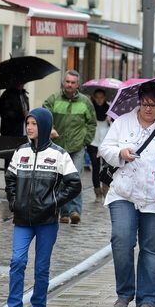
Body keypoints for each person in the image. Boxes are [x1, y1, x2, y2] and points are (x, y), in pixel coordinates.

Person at [99, 82, 155, 307]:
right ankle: (125, 292)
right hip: (124, 191)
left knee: (151, 248)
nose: (148, 109)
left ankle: (148, 298)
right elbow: (105, 148)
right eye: (144, 104)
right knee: (122, 239)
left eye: (153, 105)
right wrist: (120, 153)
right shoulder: (123, 122)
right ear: (138, 102)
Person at [1, 108, 82, 307]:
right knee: (17, 262)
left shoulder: (59, 155)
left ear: (44, 126)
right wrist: (14, 201)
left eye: (34, 124)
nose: (29, 127)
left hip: (46, 221)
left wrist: (54, 202)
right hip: (22, 220)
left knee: (41, 267)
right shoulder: (20, 152)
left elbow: (74, 184)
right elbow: (10, 179)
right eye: (28, 123)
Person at [43, 70, 96, 224]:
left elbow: (91, 123)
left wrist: (85, 140)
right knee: (60, 180)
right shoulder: (53, 99)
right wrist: (50, 128)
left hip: (77, 147)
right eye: (67, 82)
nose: (70, 85)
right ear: (63, 83)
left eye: (73, 83)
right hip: (58, 147)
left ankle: (74, 211)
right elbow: (44, 115)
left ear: (77, 85)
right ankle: (64, 213)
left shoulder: (85, 102)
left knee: (75, 179)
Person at [86, 88, 112, 199]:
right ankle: (97, 190)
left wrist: (110, 119)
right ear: (94, 98)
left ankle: (105, 187)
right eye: (97, 97)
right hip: (93, 141)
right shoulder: (90, 108)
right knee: (95, 167)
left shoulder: (110, 109)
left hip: (106, 142)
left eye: (102, 97)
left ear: (105, 98)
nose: (100, 100)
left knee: (106, 166)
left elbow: (115, 127)